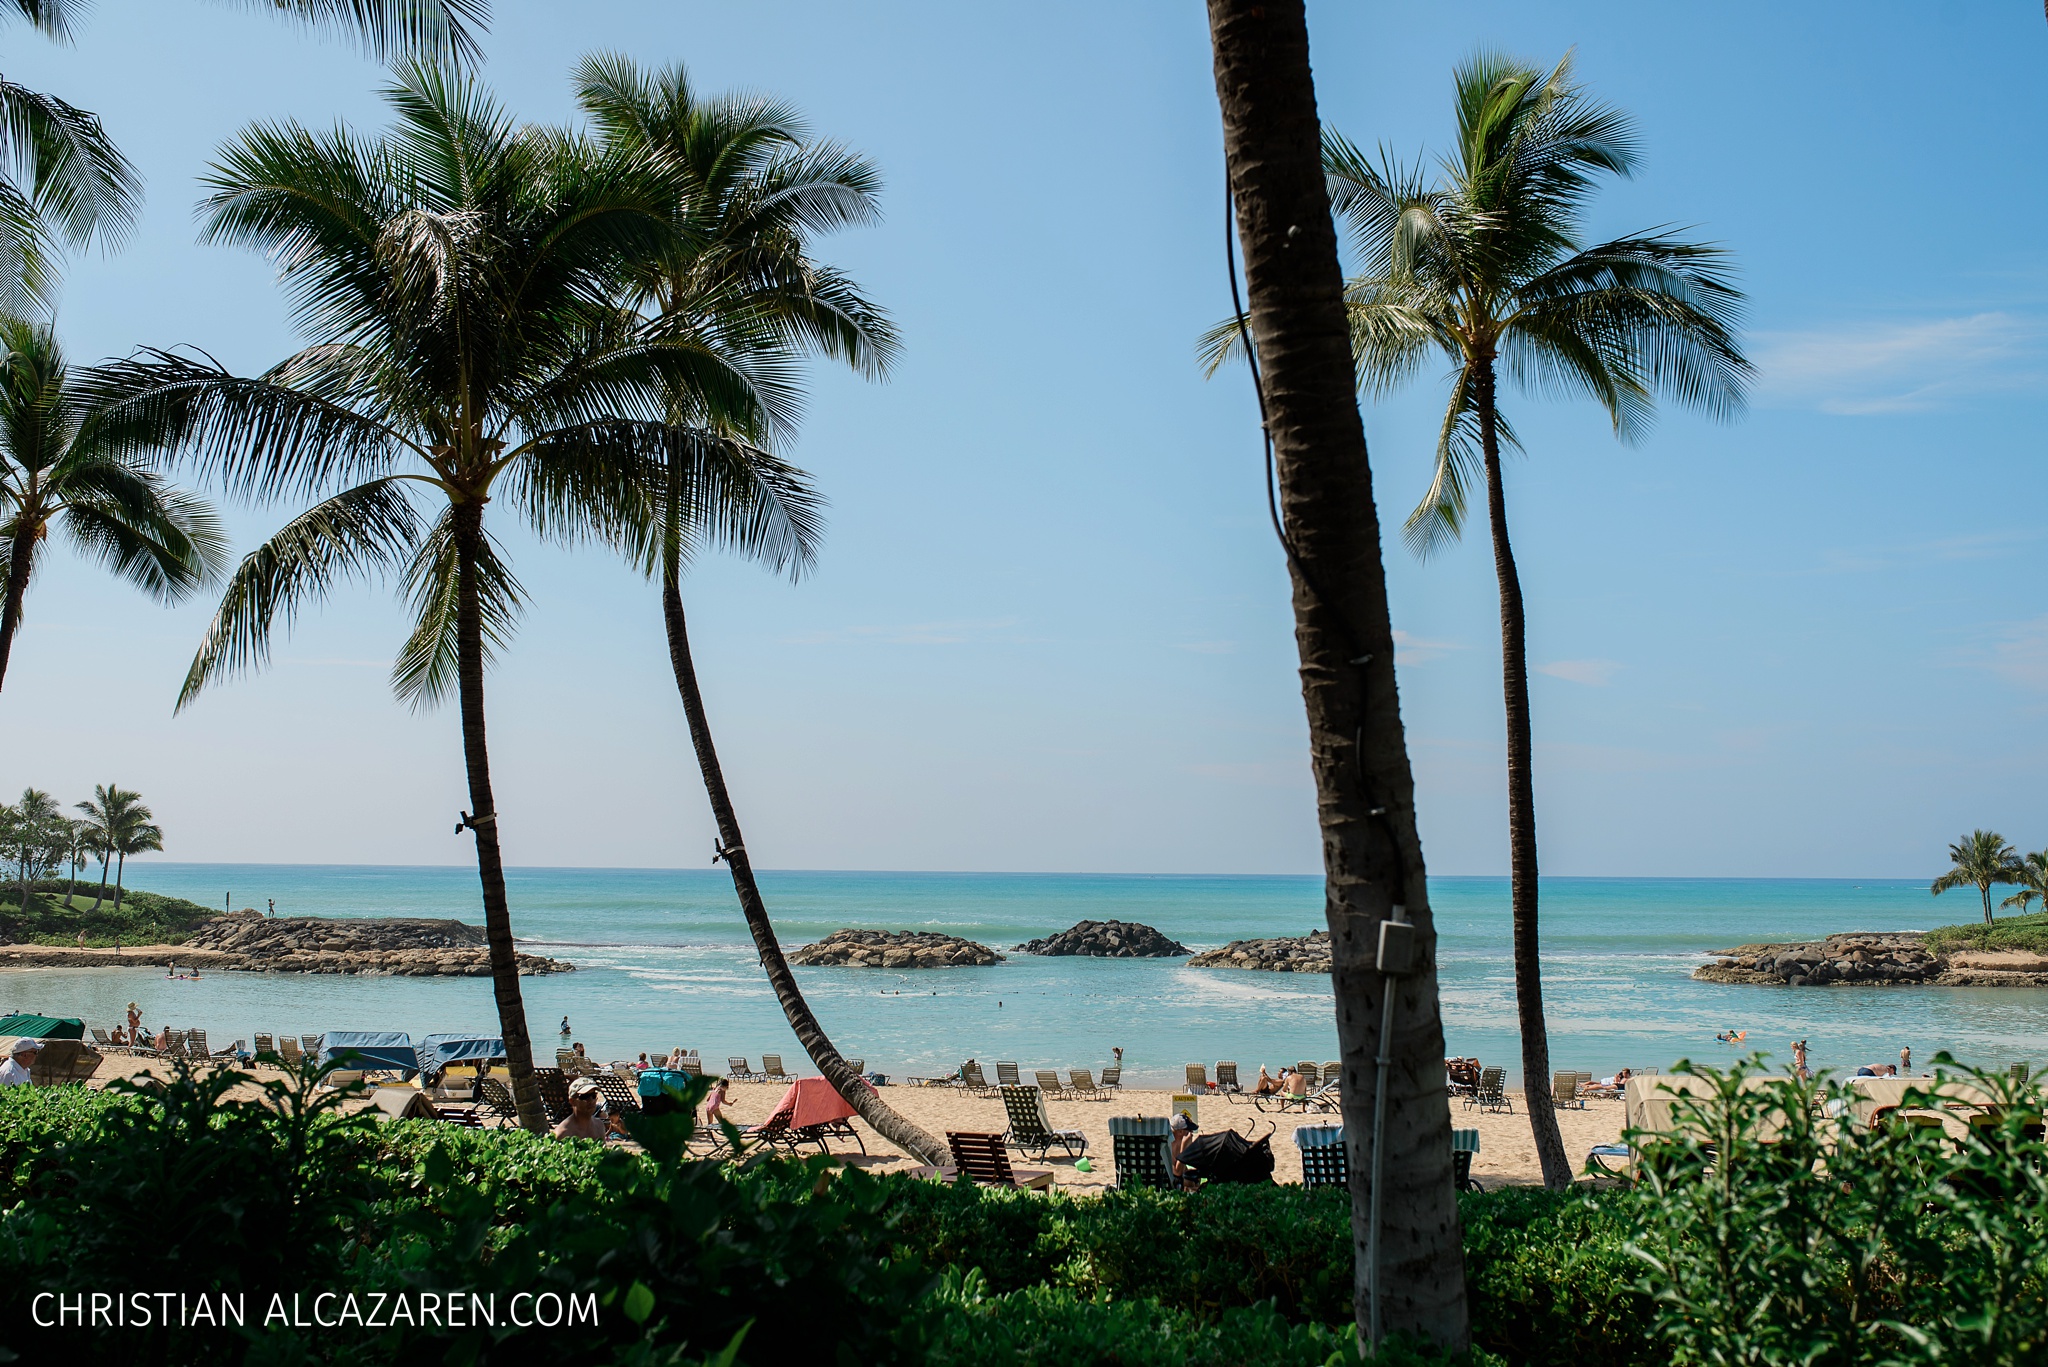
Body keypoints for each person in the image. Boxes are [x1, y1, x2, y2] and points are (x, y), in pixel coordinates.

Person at [552, 1077, 622, 1141]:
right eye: (584, 1097)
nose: (591, 1100)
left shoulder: (599, 1126)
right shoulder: (563, 1133)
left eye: (593, 1096)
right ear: (572, 1101)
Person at [1169, 1111, 1198, 1189]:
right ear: (1180, 1131)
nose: (1191, 1134)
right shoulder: (1166, 1146)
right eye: (1189, 1131)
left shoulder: (1178, 1143)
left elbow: (1184, 1168)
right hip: (1171, 1182)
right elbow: (1177, 1172)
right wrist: (1184, 1147)